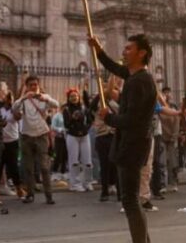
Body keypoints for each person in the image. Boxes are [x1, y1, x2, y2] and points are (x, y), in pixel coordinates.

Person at [91, 34, 156, 243]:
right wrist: (99, 51)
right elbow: (117, 69)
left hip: (133, 146)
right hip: (127, 145)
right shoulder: (133, 76)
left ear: (142, 53)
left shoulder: (141, 82)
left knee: (130, 200)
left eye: (129, 49)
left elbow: (132, 119)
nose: (124, 52)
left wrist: (108, 117)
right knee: (130, 200)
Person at [12, 74, 59, 204]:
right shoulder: (24, 100)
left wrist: (45, 99)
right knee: (28, 167)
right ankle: (30, 194)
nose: (33, 87)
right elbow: (14, 108)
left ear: (38, 85)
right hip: (27, 136)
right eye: (31, 85)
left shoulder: (44, 97)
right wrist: (22, 98)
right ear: (27, 87)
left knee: (44, 166)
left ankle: (48, 196)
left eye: (35, 85)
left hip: (41, 135)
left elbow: (56, 104)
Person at [92, 77, 121, 202]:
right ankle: (104, 191)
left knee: (116, 165)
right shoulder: (98, 102)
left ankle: (120, 192)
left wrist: (113, 79)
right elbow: (91, 107)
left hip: (115, 135)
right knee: (104, 165)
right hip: (102, 135)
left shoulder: (117, 102)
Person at [63, 86, 93, 192]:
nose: (74, 98)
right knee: (74, 161)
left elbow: (90, 120)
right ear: (68, 98)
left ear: (79, 97)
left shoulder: (84, 108)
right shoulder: (66, 110)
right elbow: (66, 124)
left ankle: (87, 182)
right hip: (72, 136)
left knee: (88, 161)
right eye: (71, 96)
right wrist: (72, 119)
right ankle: (75, 184)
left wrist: (86, 128)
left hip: (84, 136)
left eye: (75, 95)